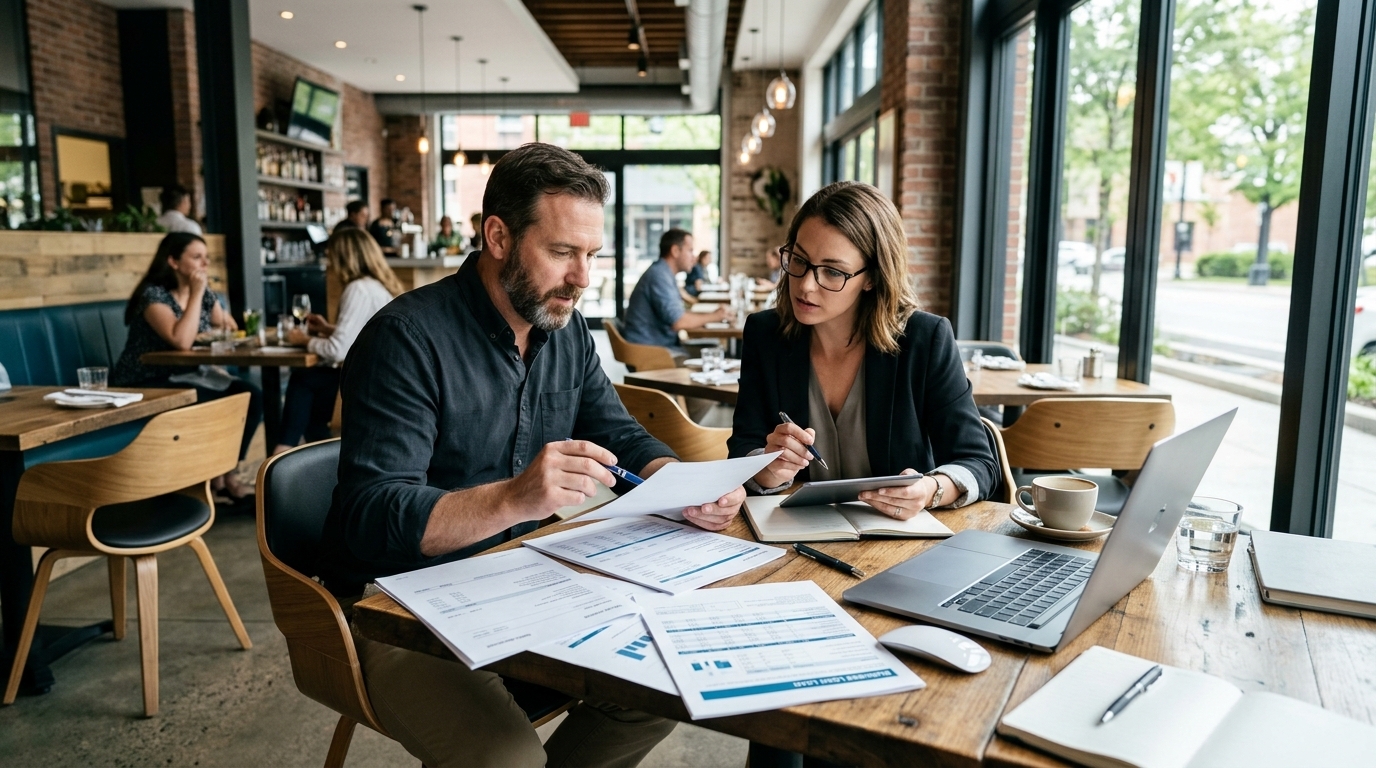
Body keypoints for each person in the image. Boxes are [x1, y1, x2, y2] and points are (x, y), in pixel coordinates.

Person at [320, 142, 745, 768]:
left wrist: (681, 485)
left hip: (525, 579)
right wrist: (517, 497)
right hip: (398, 609)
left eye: (591, 255)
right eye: (562, 252)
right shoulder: (405, 339)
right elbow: (372, 516)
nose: (582, 278)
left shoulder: (564, 328)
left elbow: (620, 434)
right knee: (509, 761)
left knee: (665, 686)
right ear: (497, 236)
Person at [729, 181, 998, 516]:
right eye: (799, 260)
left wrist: (930, 489)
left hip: (898, 540)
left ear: (872, 277)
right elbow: (743, 446)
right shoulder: (765, 334)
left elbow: (979, 462)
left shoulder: (924, 339)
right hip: (792, 536)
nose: (806, 284)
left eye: (832, 271)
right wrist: (767, 470)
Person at [110, 233, 263, 502]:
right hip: (146, 380)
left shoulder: (203, 295)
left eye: (206, 258)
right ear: (173, 261)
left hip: (190, 374)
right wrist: (197, 293)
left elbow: (229, 327)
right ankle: (209, 480)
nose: (204, 264)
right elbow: (181, 340)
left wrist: (210, 305)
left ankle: (227, 472)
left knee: (250, 395)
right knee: (219, 403)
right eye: (196, 257)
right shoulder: (154, 296)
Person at [273, 229, 402, 455]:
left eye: (331, 254)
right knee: (311, 403)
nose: (328, 259)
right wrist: (327, 329)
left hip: (368, 380)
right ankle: (315, 452)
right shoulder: (374, 286)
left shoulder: (358, 289)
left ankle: (284, 449)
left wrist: (304, 340)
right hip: (383, 374)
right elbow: (362, 333)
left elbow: (338, 350)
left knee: (303, 381)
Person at [623, 229, 730, 357]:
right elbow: (678, 322)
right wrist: (716, 316)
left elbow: (678, 315)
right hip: (650, 351)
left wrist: (714, 314)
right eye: (690, 250)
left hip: (658, 345)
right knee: (718, 357)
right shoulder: (659, 276)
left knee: (716, 351)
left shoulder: (664, 273)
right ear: (675, 251)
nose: (694, 257)